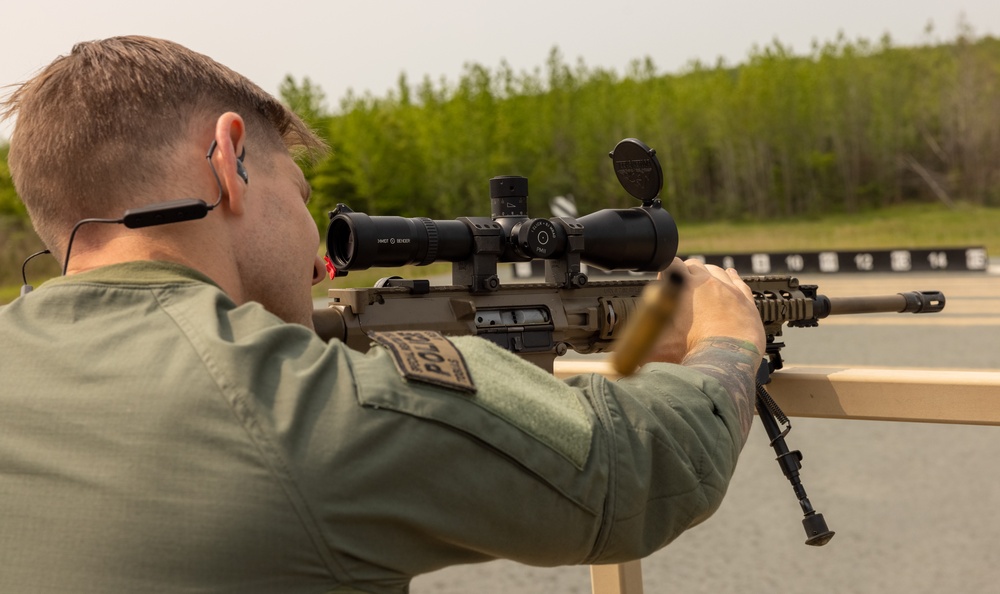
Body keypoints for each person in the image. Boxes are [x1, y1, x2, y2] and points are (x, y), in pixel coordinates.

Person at [0, 36, 765, 594]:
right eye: (299, 196)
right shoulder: (307, 407)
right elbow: (635, 471)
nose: (315, 245)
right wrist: (725, 336)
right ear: (229, 160)